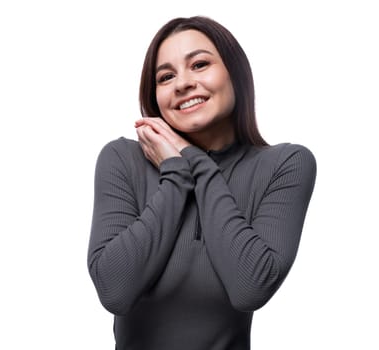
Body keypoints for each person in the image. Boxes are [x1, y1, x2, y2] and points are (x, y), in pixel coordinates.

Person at [87, 15, 316, 350]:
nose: (182, 83)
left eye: (199, 64)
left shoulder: (284, 165)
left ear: (235, 74)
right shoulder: (123, 160)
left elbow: (250, 287)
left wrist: (192, 161)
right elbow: (114, 291)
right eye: (166, 76)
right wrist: (177, 175)